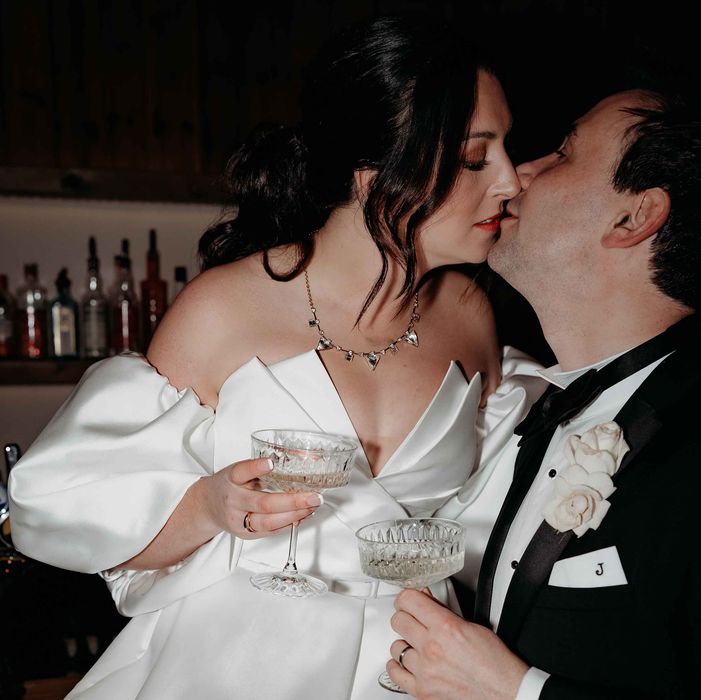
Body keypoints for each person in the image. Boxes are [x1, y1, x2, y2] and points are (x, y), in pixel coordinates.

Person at [7, 15, 546, 700]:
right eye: (476, 157)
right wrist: (208, 507)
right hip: (235, 667)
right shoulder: (221, 311)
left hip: (419, 668)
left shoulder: (472, 316)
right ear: (369, 168)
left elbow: (499, 526)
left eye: (507, 149)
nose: (510, 180)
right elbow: (75, 517)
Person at [387, 87, 701, 698]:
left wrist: (519, 692)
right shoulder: (542, 410)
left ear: (634, 219)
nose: (517, 174)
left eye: (562, 154)